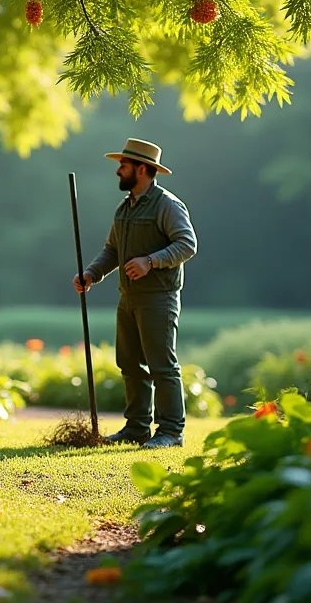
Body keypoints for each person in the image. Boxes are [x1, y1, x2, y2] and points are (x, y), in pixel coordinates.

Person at [72, 138, 197, 449]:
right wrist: (91, 274)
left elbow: (187, 244)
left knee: (162, 366)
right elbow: (112, 250)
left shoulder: (167, 204)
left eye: (123, 165)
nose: (118, 170)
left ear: (142, 169)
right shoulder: (124, 208)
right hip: (128, 298)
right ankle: (137, 428)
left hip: (158, 298)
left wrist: (150, 261)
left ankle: (170, 432)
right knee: (129, 363)